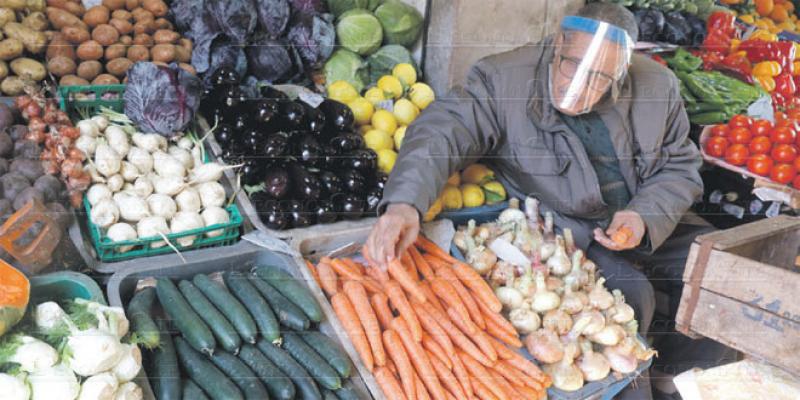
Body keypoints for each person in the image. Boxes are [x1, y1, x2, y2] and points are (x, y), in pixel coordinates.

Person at [365, 3, 735, 399]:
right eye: (572, 66)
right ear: (557, 43)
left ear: (624, 70)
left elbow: (679, 167)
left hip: (643, 216)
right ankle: (632, 386)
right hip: (567, 224)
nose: (580, 88)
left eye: (599, 78)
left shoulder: (658, 86)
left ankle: (681, 377)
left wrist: (643, 217)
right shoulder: (503, 78)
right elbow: (441, 132)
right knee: (633, 295)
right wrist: (405, 203)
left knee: (721, 271)